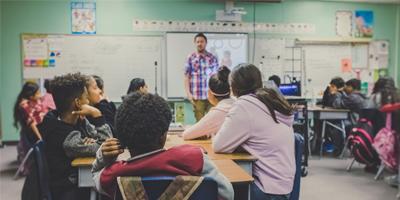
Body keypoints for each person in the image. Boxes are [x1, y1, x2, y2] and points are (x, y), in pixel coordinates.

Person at [92, 92, 234, 200]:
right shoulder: (194, 158)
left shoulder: (114, 174)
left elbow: (96, 177)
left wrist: (102, 156)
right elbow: (227, 193)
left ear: (122, 138)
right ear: (164, 135)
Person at [212, 63, 295, 200]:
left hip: (267, 190)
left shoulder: (244, 105)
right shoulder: (269, 100)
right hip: (283, 186)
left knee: (217, 188)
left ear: (233, 87)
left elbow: (219, 145)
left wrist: (215, 135)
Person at [38, 73, 112, 200]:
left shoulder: (76, 120)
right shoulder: (66, 138)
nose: (88, 102)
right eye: (86, 98)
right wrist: (97, 114)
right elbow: (107, 146)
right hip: (69, 190)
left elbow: (98, 140)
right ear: (78, 103)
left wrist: (92, 143)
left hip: (77, 181)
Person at [182, 66, 234, 140]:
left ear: (210, 93)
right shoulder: (237, 103)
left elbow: (186, 135)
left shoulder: (217, 112)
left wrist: (189, 128)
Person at [184, 33, 219, 121]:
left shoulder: (212, 58)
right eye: (198, 42)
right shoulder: (190, 57)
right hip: (197, 96)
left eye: (202, 41)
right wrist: (188, 93)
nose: (200, 44)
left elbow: (216, 77)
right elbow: (186, 76)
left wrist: (217, 94)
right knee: (199, 122)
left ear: (206, 43)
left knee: (212, 122)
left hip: (211, 96)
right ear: (195, 43)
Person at [13, 82, 48, 163]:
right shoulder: (24, 105)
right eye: (38, 93)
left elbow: (40, 111)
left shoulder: (35, 99)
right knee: (34, 157)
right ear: (31, 96)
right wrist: (40, 138)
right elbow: (32, 123)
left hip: (40, 128)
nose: (40, 94)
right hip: (32, 133)